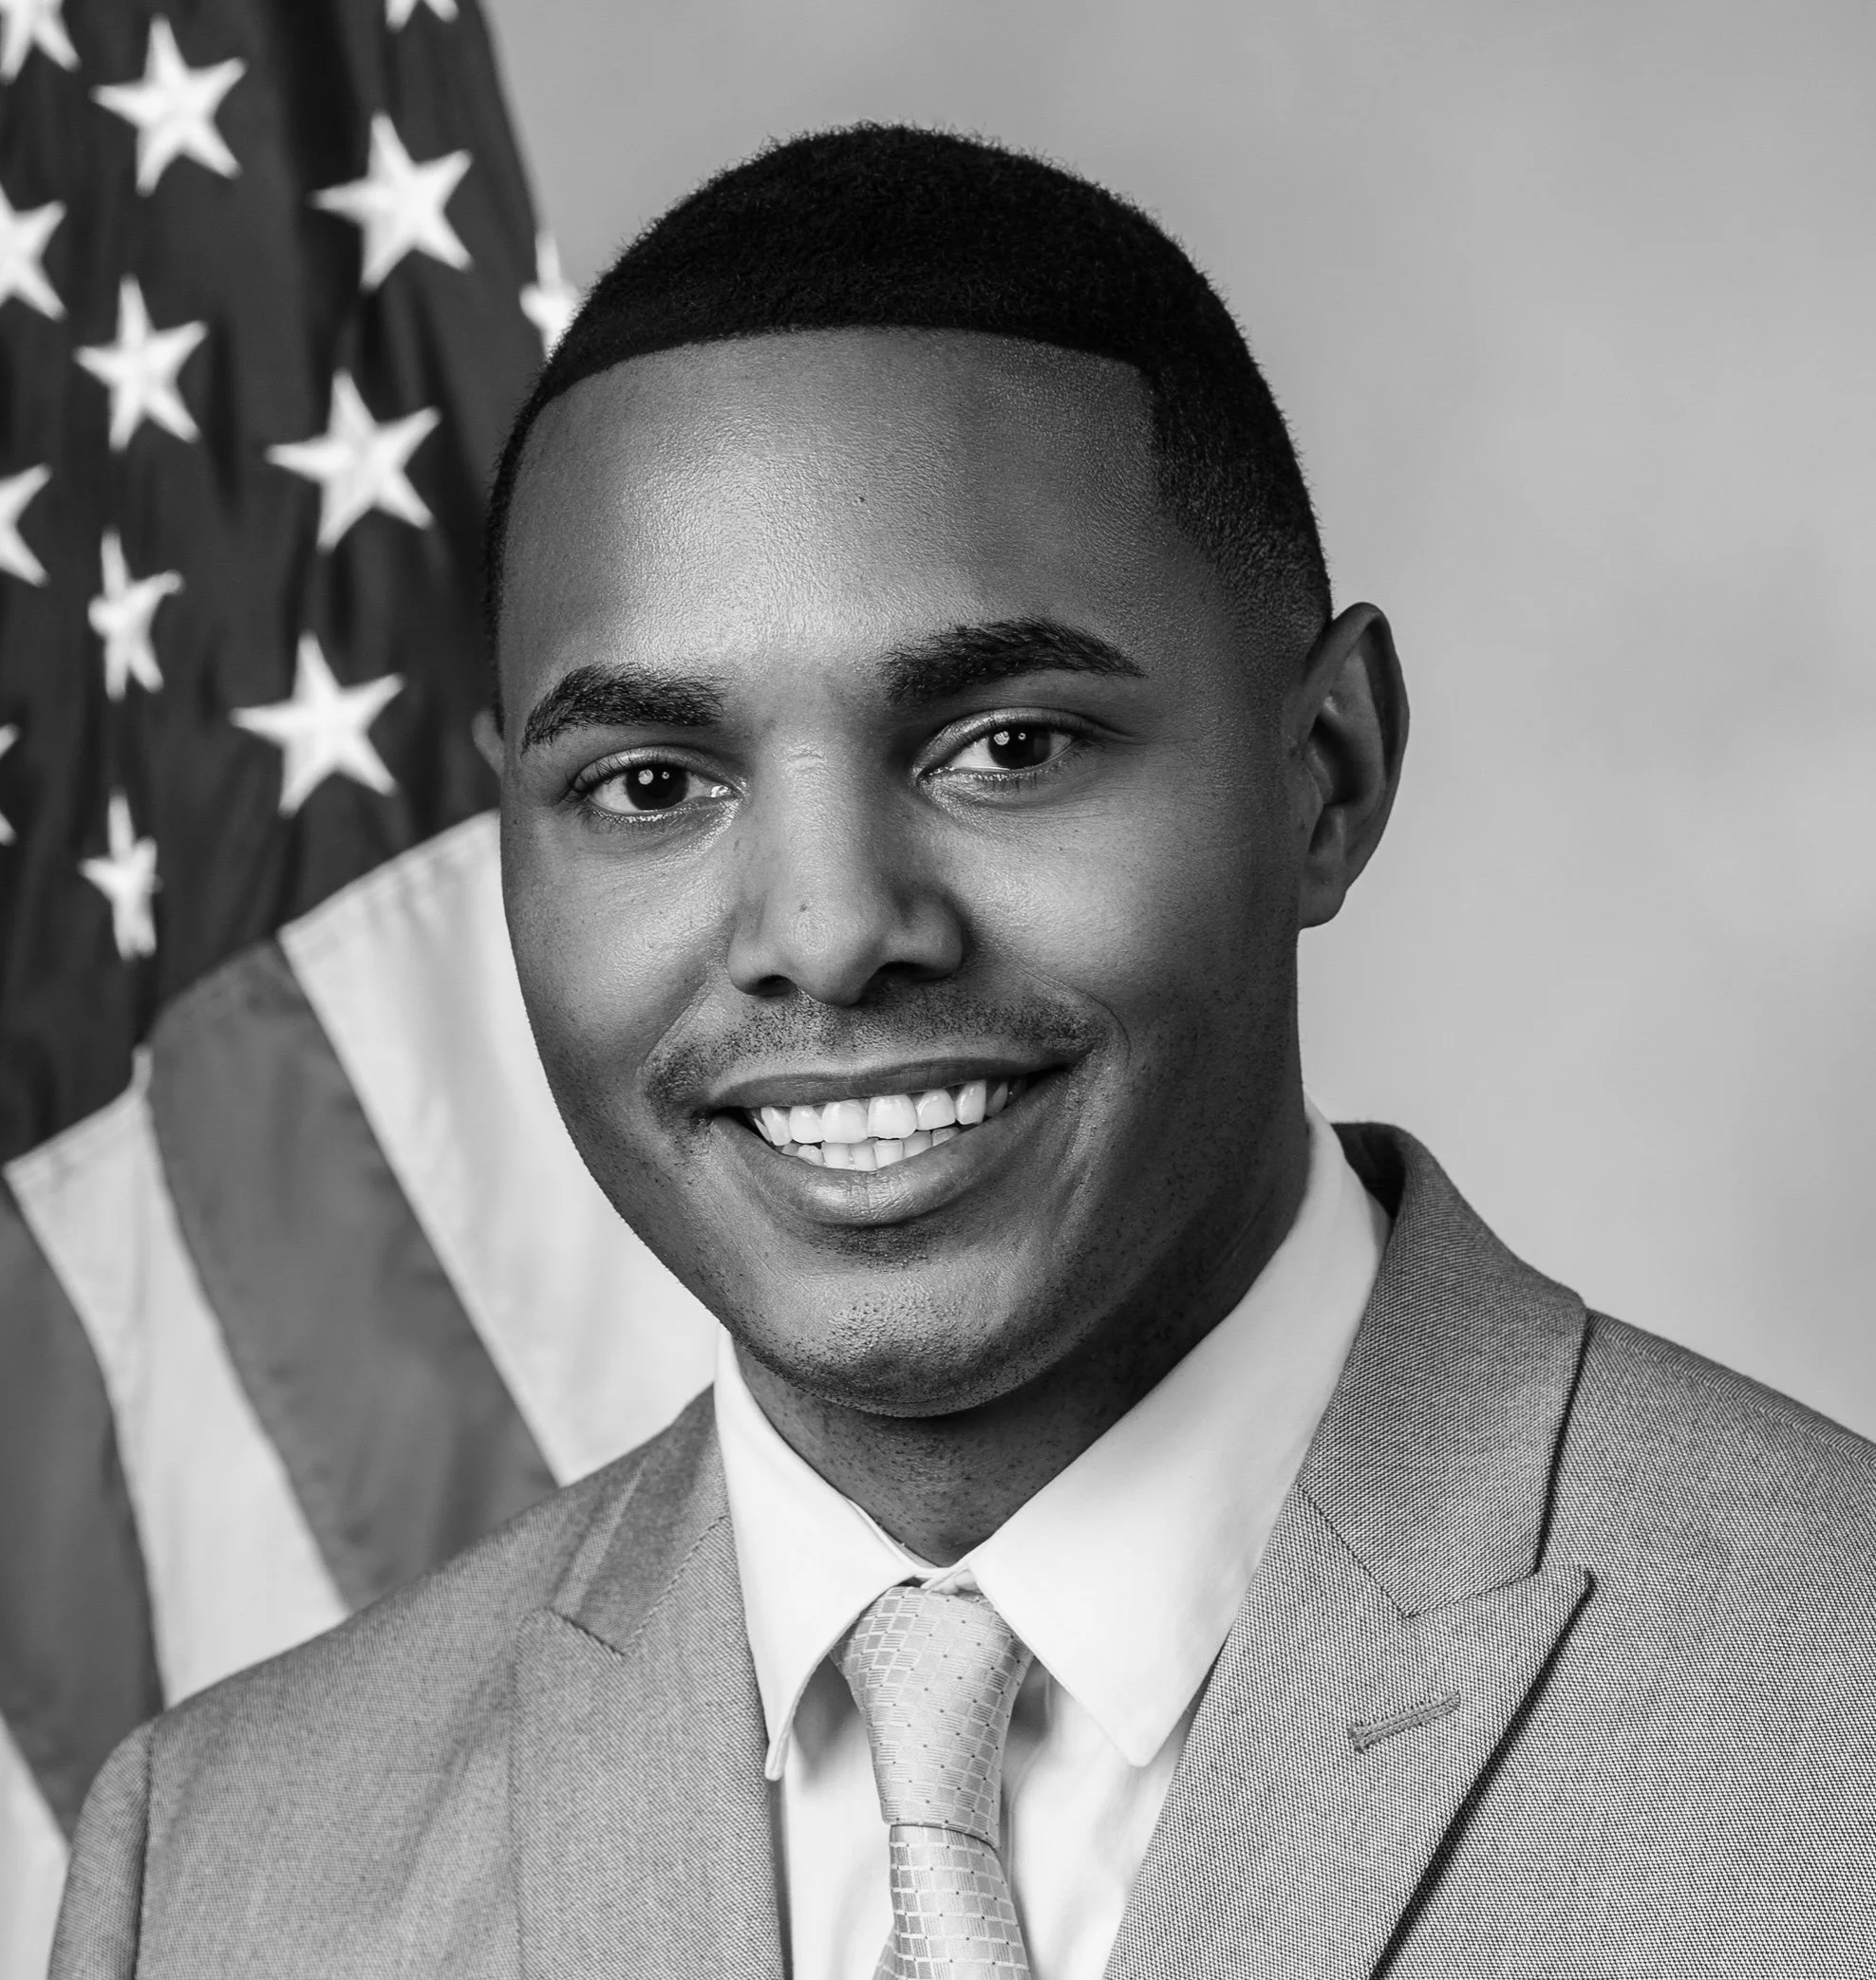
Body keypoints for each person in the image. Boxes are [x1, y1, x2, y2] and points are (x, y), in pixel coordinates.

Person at [52, 125, 1875, 1980]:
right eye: (653, 783)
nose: (831, 928)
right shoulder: (218, 1864)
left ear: (1326, 773)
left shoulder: (1839, 1721)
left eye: (1004, 745)